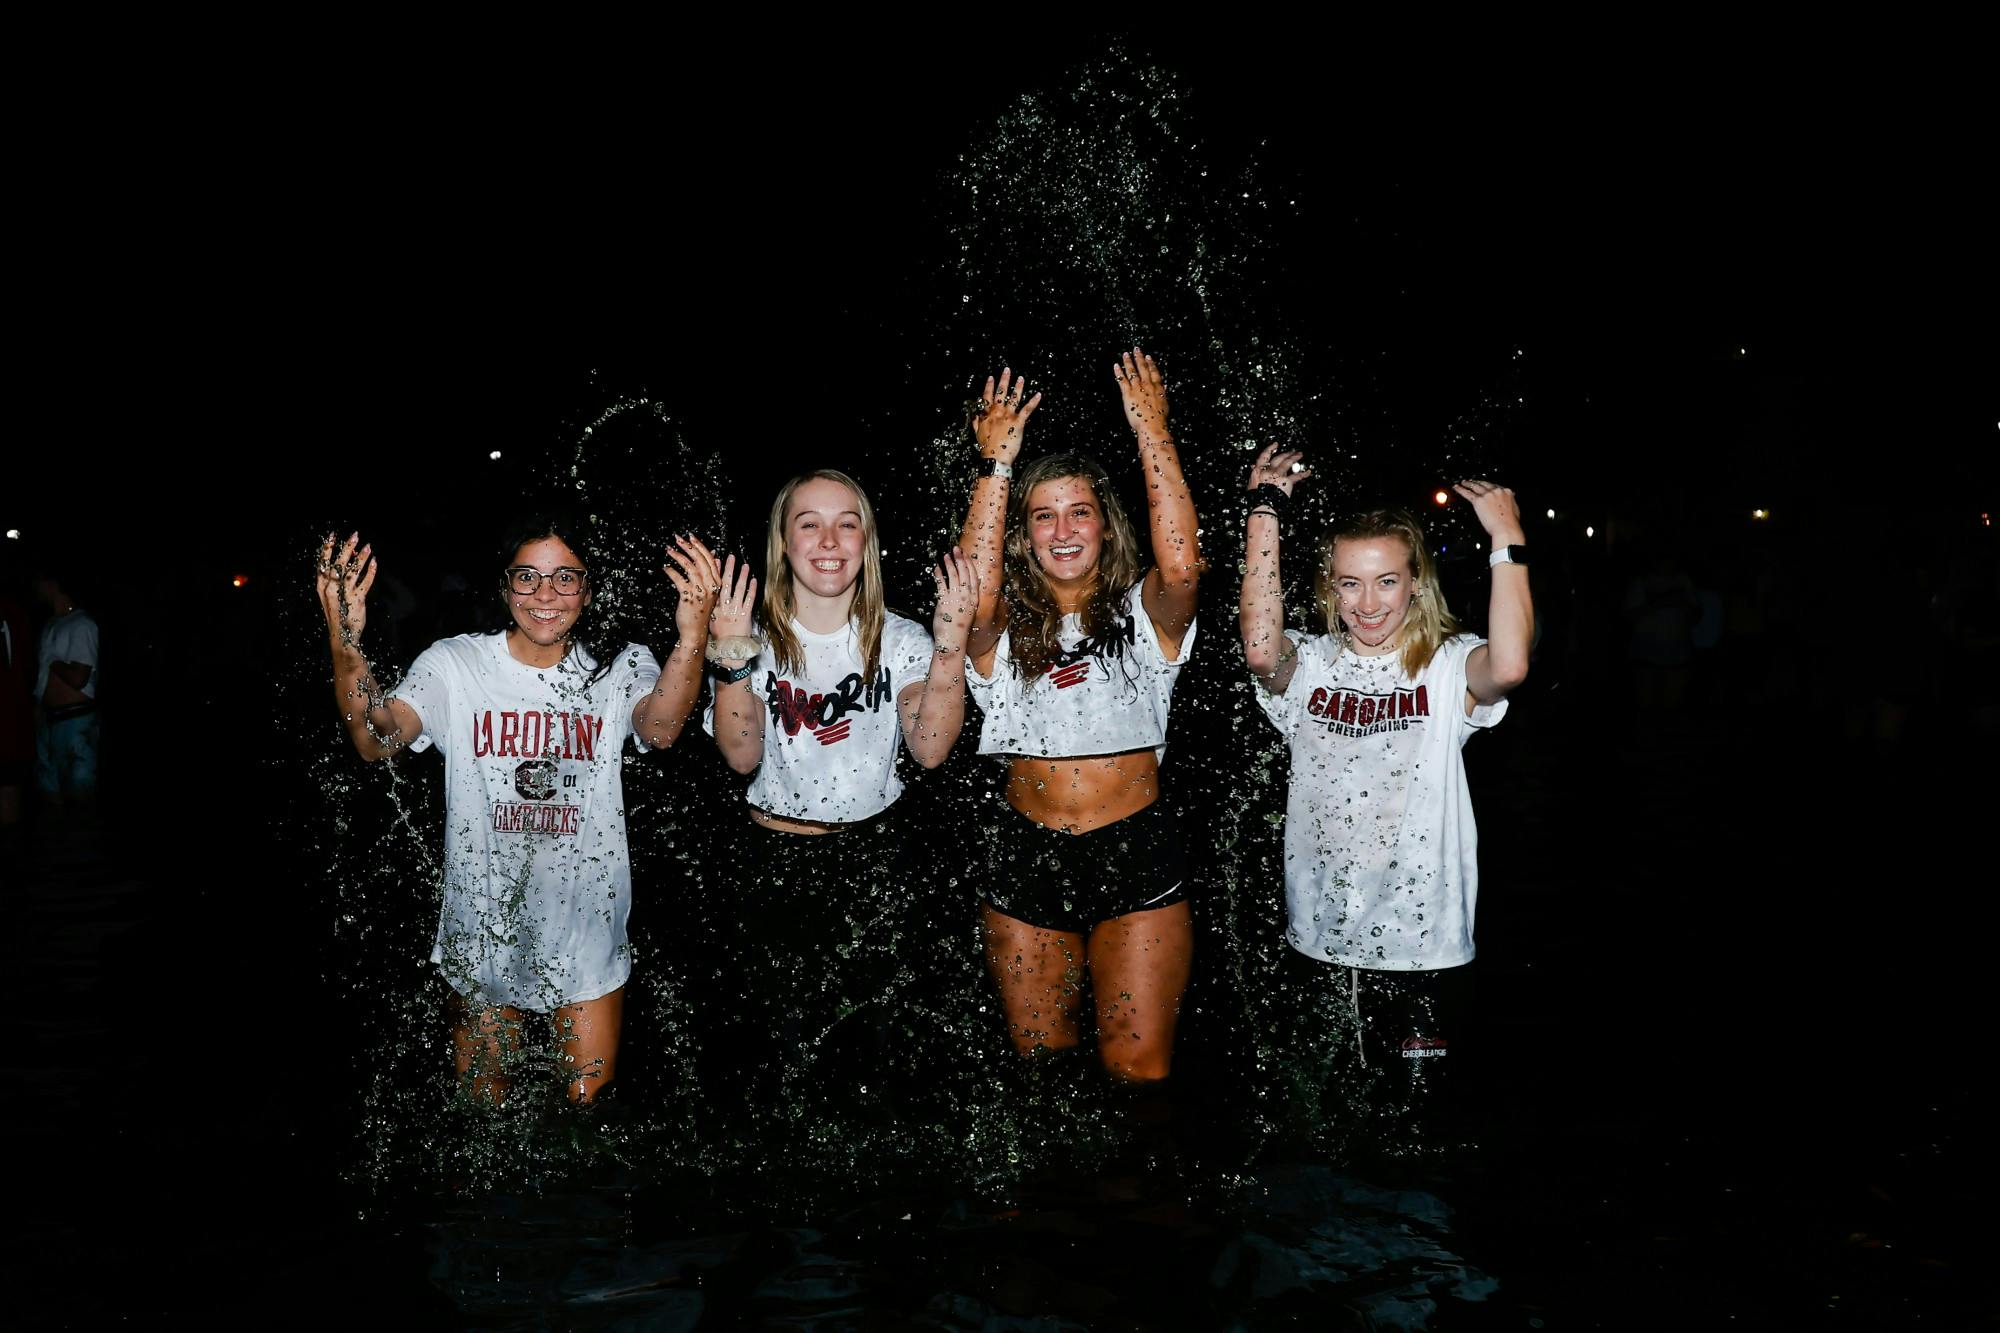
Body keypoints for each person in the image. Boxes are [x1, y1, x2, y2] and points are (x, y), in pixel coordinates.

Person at [315, 520, 722, 1104]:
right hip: (481, 930)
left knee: (589, 1119)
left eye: (565, 578)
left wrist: (693, 635)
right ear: (504, 588)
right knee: (486, 1121)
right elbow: (377, 739)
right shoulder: (455, 664)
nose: (546, 595)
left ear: (588, 590)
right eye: (527, 577)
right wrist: (344, 641)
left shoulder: (618, 666)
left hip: (586, 929)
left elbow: (660, 729)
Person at [1237, 445, 1531, 1119]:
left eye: (1387, 582)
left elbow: (1510, 666)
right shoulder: (1308, 663)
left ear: (1416, 584)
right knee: (1323, 1128)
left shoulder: (1448, 665)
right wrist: (1264, 512)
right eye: (1349, 583)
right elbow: (1260, 649)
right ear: (1328, 588)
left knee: (1418, 1141)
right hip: (1320, 942)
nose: (1367, 604)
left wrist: (1507, 539)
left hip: (1425, 948)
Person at [958, 348, 1201, 1085]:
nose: (1062, 530)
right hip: (1026, 852)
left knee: (1138, 1072)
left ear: (1105, 523)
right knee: (1041, 1077)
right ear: (1023, 533)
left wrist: (1152, 431)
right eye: (1043, 516)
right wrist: (997, 467)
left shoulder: (1145, 613)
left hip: (1138, 852)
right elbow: (971, 595)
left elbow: (1185, 568)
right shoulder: (998, 630)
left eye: (1080, 511)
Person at [703, 470, 976, 1107]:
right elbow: (742, 757)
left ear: (867, 541)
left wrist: (951, 645)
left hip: (875, 866)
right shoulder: (750, 636)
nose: (830, 539)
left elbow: (930, 749)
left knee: (873, 1072)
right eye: (809, 523)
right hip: (773, 867)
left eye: (846, 522)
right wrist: (730, 656)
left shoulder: (904, 638)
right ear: (783, 543)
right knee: (775, 1070)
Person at [31, 561, 100, 817]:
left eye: (38, 581)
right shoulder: (50, 625)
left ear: (52, 584)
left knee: (80, 799)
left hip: (76, 723)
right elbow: (42, 678)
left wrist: (55, 662)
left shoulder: (82, 623)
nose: (35, 587)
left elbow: (78, 678)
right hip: (50, 722)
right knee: (50, 797)